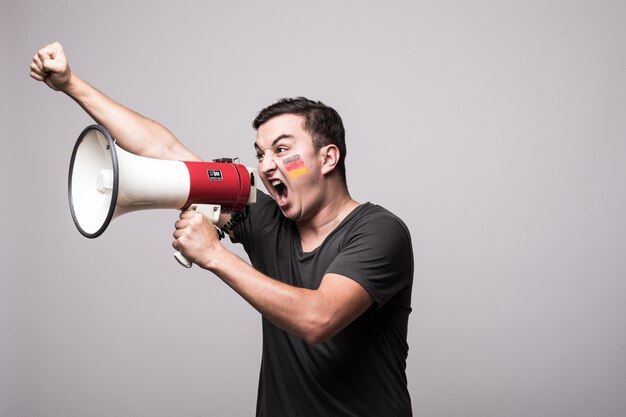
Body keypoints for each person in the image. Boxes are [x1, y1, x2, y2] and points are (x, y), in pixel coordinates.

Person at [30, 42, 414, 417]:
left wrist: (215, 256)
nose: (265, 167)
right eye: (260, 154)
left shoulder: (380, 232)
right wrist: (70, 83)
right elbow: (166, 152)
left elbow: (318, 319)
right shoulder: (266, 219)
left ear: (328, 157)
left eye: (282, 150)